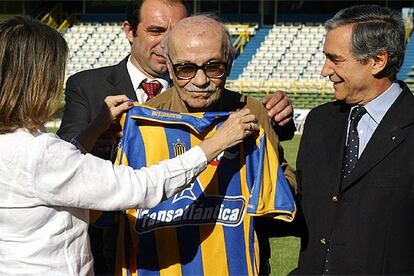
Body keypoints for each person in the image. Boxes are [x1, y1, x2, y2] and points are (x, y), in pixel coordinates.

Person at [0, 15, 259, 275]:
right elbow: (142, 187)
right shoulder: (40, 152)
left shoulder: (21, 145)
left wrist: (94, 128)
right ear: (39, 81)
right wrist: (216, 143)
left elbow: (61, 172)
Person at [57, 0, 296, 273]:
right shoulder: (137, 116)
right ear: (170, 66)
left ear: (228, 65)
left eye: (213, 67)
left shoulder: (250, 112)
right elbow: (72, 173)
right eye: (185, 68)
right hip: (150, 261)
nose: (200, 80)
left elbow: (283, 189)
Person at [294, 4, 414, 274]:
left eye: (335, 59)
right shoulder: (319, 122)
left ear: (377, 61)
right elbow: (302, 210)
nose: (325, 70)